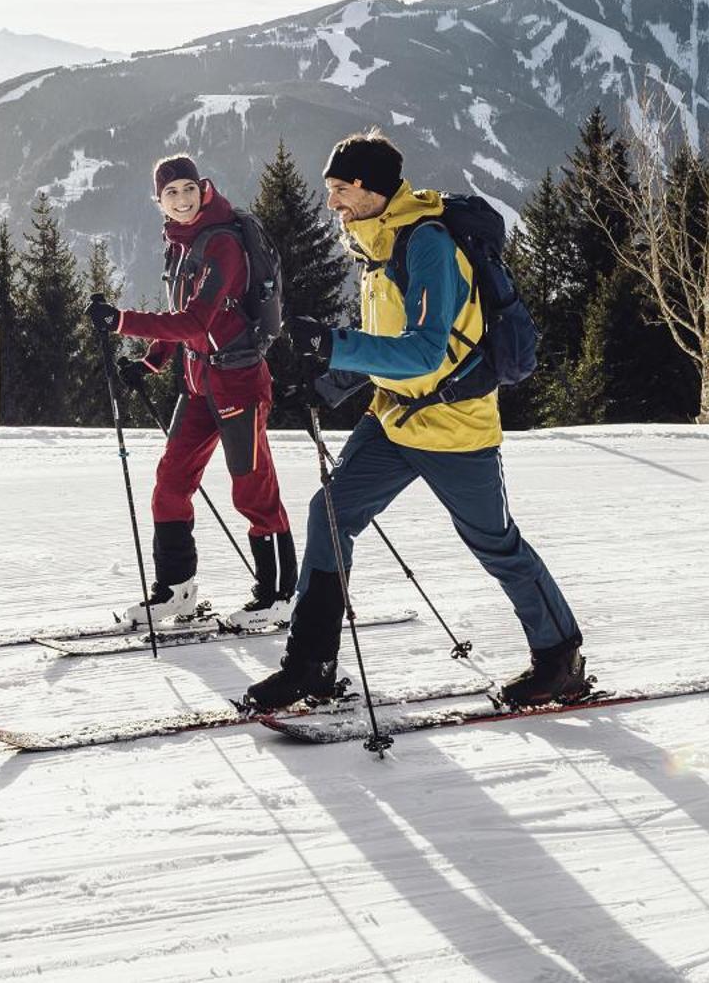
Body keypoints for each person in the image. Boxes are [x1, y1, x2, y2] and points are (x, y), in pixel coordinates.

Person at [240, 130, 589, 710]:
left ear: (372, 188)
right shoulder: (376, 244)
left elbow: (426, 351)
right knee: (330, 513)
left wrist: (335, 344)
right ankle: (310, 666)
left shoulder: (425, 244)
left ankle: (560, 660)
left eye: (341, 190)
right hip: (395, 418)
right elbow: (384, 342)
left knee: (495, 545)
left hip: (454, 426)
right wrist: (329, 377)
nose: (332, 204)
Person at [87, 155, 296, 631]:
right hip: (200, 382)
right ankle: (177, 590)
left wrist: (122, 322)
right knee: (171, 484)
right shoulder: (181, 244)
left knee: (253, 490)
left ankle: (279, 596)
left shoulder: (221, 241)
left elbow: (198, 321)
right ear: (157, 201)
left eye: (187, 189)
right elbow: (185, 317)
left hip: (240, 381)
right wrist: (152, 361)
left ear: (203, 187)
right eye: (170, 194)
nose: (181, 200)